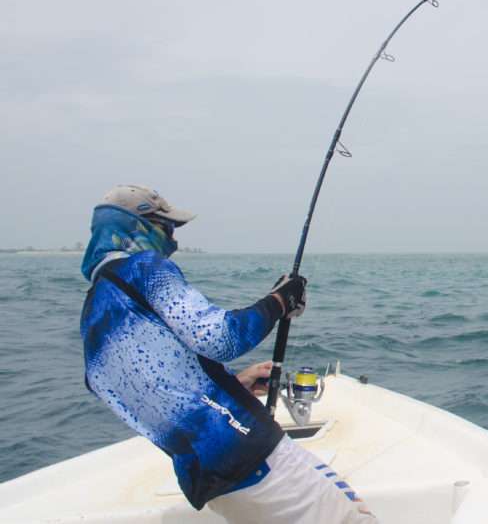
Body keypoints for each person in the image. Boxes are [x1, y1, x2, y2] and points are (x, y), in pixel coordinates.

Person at [80, 184, 376, 523]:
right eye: (167, 227)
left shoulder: (93, 315)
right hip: (250, 453)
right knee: (355, 517)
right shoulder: (144, 268)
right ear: (139, 226)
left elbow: (152, 392)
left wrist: (234, 384)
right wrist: (280, 301)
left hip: (209, 480)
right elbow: (220, 338)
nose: (172, 238)